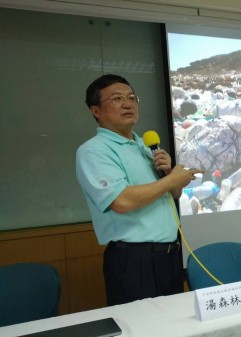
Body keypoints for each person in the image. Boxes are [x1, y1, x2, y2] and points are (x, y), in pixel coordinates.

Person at [75, 74, 202, 305]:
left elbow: (173, 195)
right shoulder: (94, 151)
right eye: (116, 99)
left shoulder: (145, 144)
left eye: (132, 97)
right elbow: (121, 201)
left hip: (170, 256)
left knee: (175, 326)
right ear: (96, 111)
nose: (128, 103)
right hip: (134, 260)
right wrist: (172, 180)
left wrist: (169, 176)